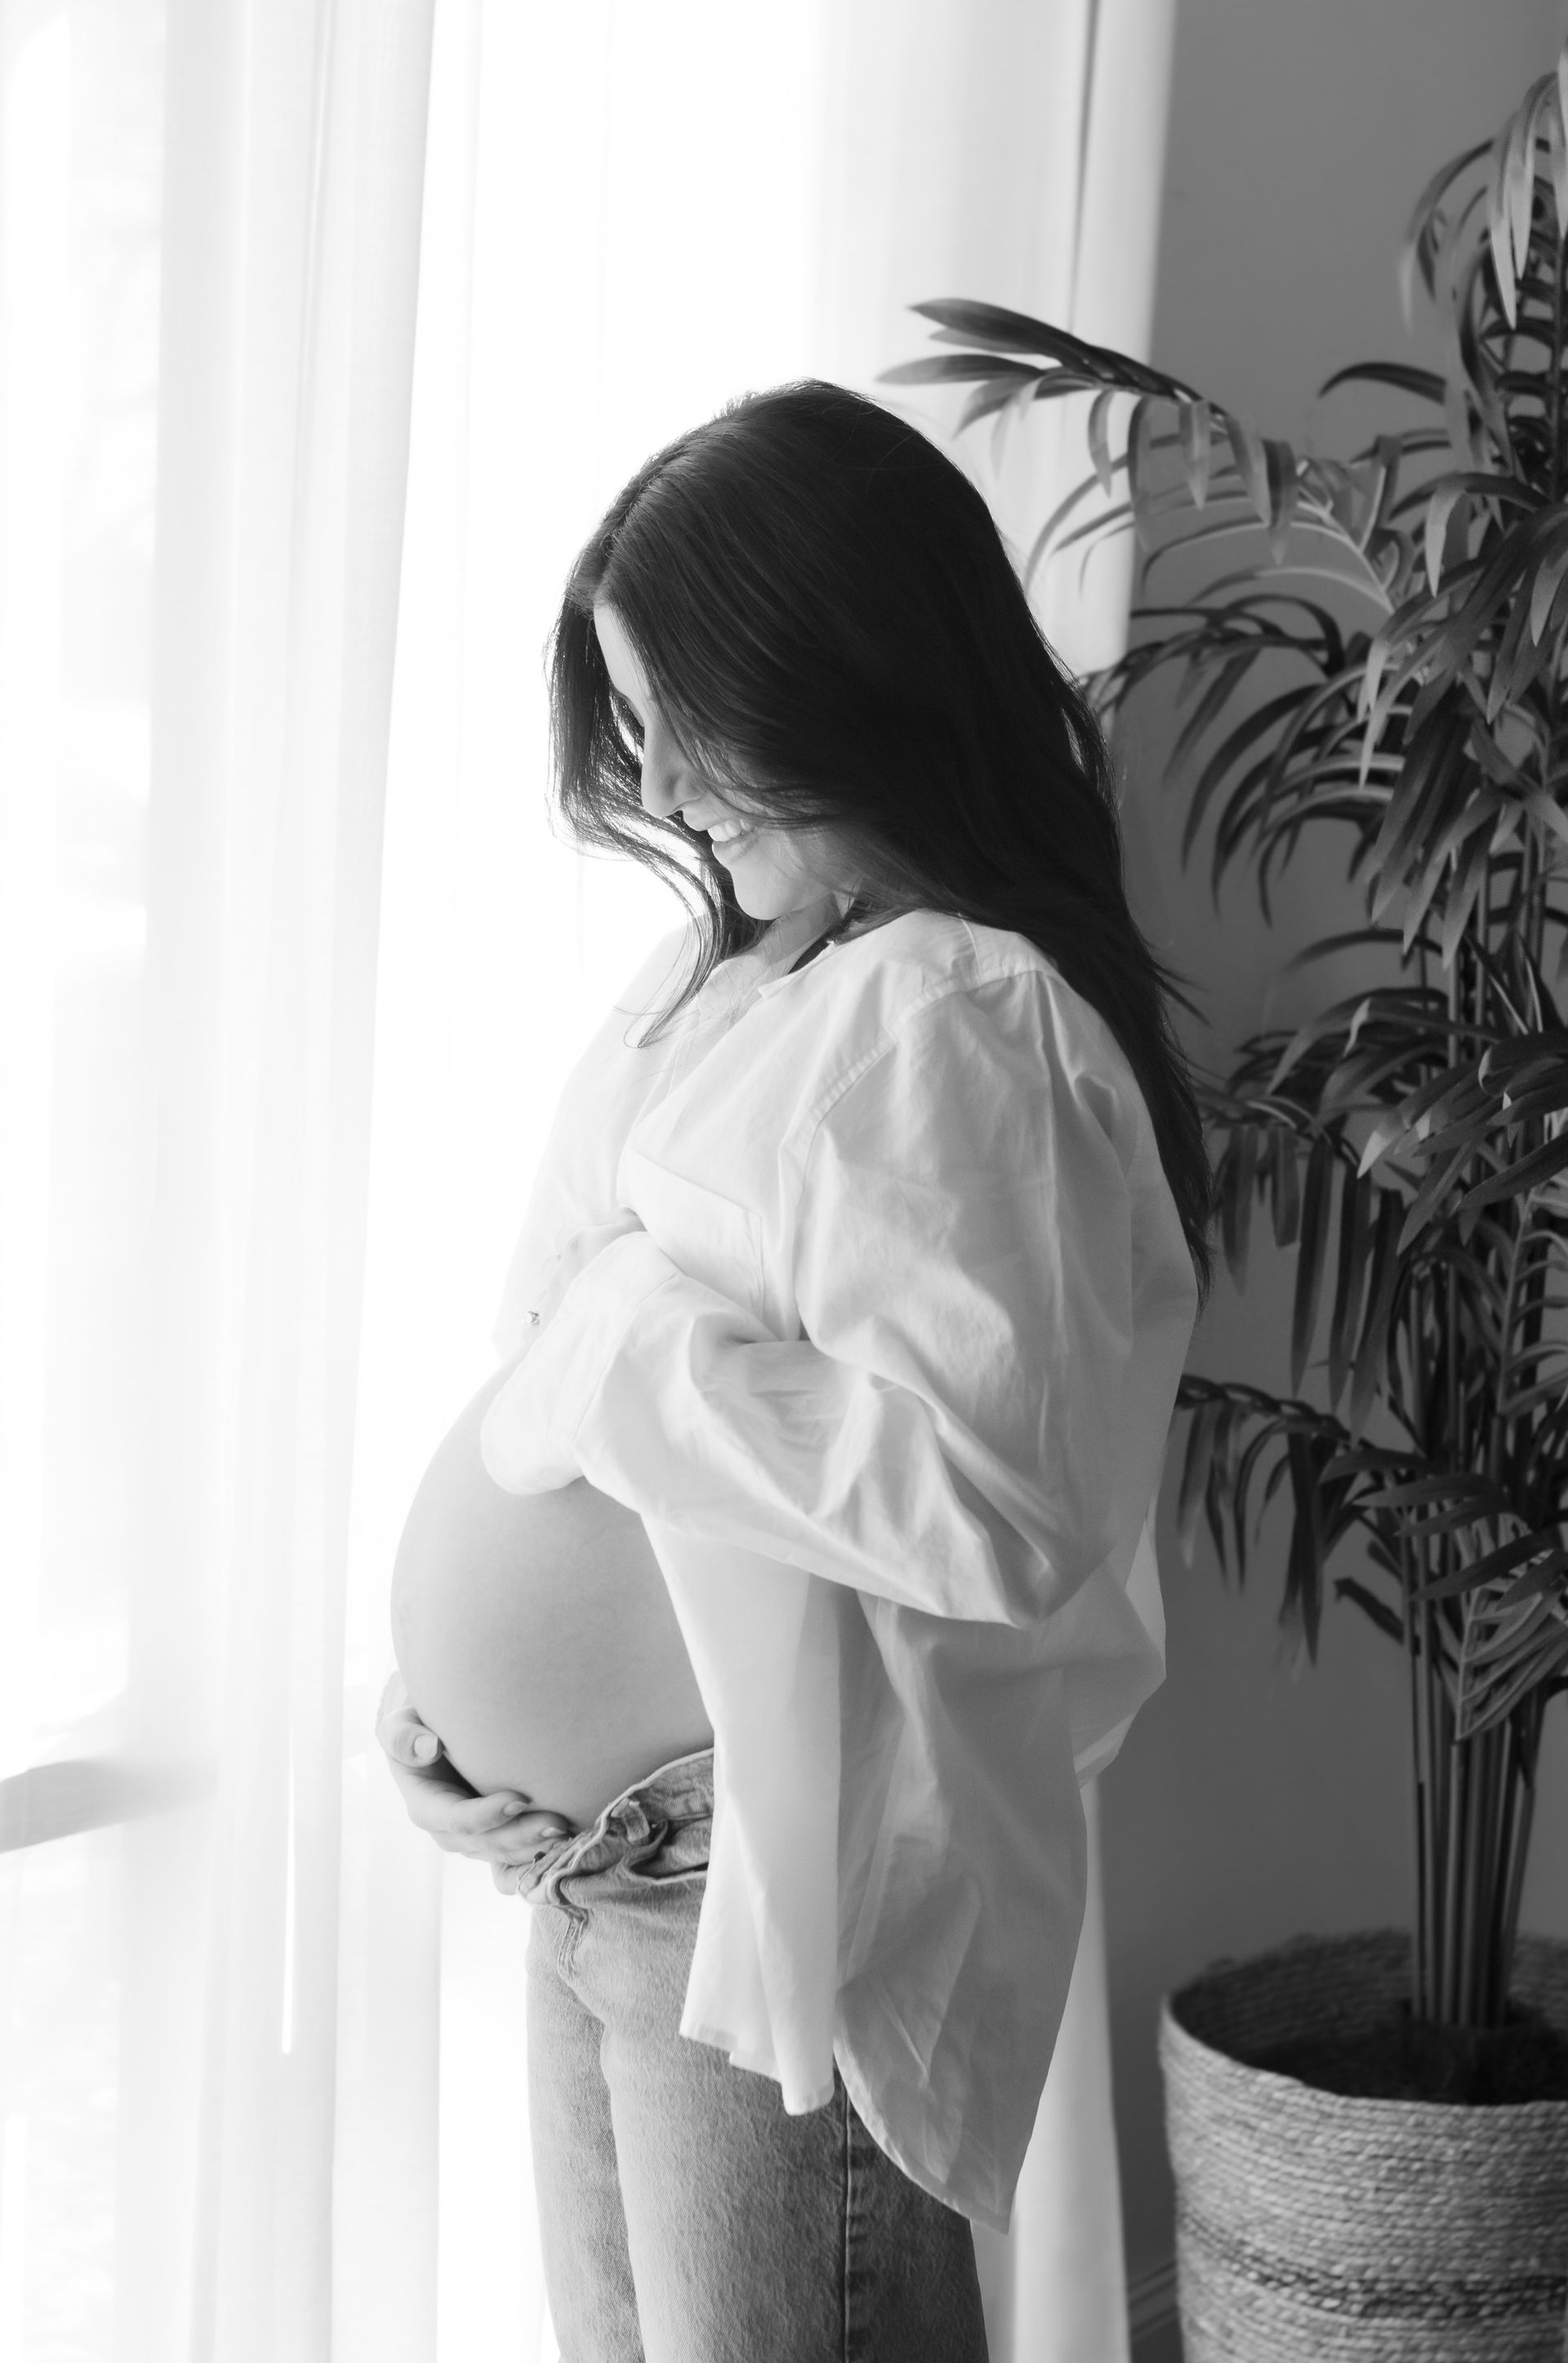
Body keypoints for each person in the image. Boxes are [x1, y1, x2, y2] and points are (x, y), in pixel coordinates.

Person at [377, 379, 1209, 2363]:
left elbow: (991, 1507)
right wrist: (447, 1700)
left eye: (685, 714)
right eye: (632, 721)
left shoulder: (967, 1012)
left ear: (839, 669)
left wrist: (626, 1349)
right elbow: (556, 1362)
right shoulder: (736, 968)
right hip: (596, 1875)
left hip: (745, 1888)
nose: (659, 780)